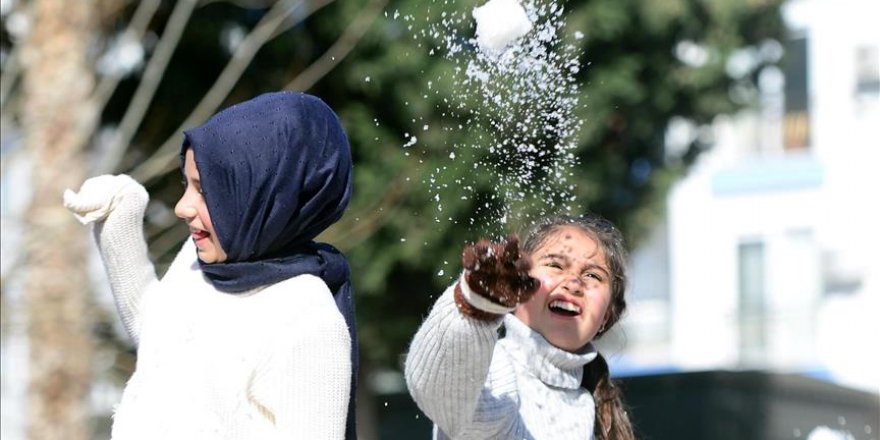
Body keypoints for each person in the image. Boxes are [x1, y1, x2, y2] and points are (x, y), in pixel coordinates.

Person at [63, 91, 358, 439]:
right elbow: (160, 337)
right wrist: (120, 214)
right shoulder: (201, 263)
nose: (182, 207)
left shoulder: (307, 322)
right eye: (186, 185)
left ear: (262, 192)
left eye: (205, 190)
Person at [405, 214, 636, 439]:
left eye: (593, 275)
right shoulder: (492, 368)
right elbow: (441, 391)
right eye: (555, 264)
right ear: (518, 282)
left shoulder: (591, 408)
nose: (574, 283)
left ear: (606, 315)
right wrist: (474, 305)